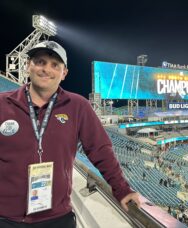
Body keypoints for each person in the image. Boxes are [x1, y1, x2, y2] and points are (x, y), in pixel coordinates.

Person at [0, 41, 140, 227]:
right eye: (40, 62)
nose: (46, 69)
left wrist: (122, 189)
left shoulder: (78, 106)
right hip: (6, 217)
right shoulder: (3, 104)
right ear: (28, 66)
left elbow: (100, 150)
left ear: (64, 73)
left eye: (55, 65)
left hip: (56, 217)